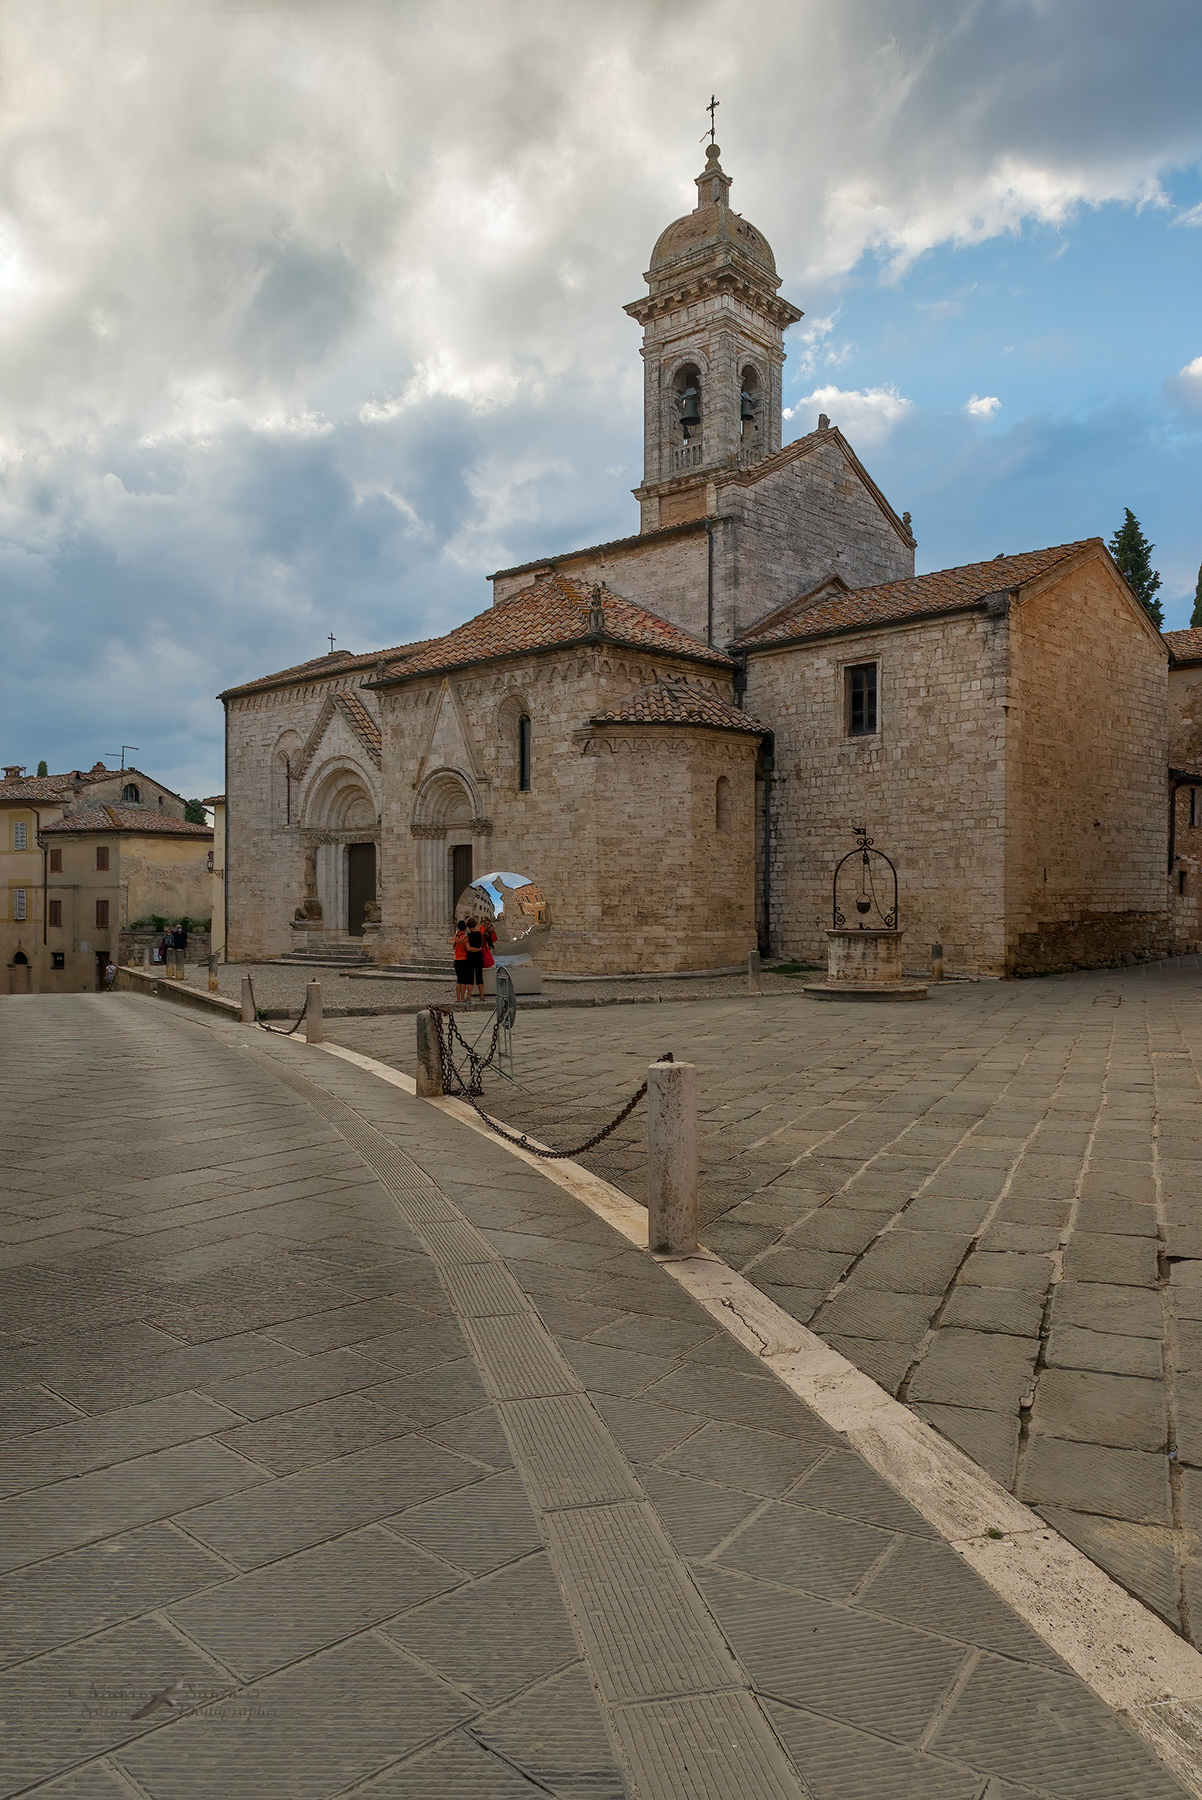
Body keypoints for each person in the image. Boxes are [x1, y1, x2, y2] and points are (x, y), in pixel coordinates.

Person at [464, 917, 486, 1001]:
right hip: (479, 957)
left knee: (470, 977)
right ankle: (482, 996)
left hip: (471, 957)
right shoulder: (479, 934)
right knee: (479, 976)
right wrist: (478, 949)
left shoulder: (468, 936)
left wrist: (475, 949)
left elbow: (469, 948)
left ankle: (469, 997)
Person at [452, 919, 469, 1002]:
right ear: (465, 928)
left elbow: (453, 947)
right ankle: (462, 998)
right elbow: (467, 948)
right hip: (463, 959)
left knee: (459, 980)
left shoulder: (455, 936)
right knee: (464, 981)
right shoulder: (464, 937)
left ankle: (458, 998)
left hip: (456, 959)